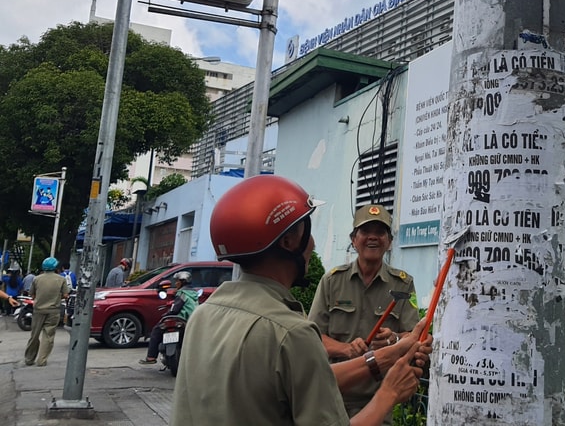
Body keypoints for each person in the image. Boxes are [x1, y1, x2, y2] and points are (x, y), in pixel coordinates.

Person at [170, 175, 431, 426]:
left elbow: (303, 378)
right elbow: (308, 359)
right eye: (308, 231)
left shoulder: (202, 316)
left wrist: (387, 354)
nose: (313, 244)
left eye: (380, 232)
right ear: (289, 241)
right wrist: (389, 393)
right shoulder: (292, 332)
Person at [309, 204, 418, 423]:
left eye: (380, 232)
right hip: (334, 395)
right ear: (353, 239)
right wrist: (346, 349)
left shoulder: (404, 284)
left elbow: (414, 337)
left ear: (389, 242)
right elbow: (312, 337)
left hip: (379, 397)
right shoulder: (332, 281)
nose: (373, 238)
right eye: (366, 231)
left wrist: (394, 339)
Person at [139, 270, 199, 365]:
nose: (176, 283)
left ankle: (151, 357)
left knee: (156, 330)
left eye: (177, 281)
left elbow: (175, 309)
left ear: (183, 282)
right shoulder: (194, 295)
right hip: (190, 321)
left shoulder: (182, 294)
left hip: (180, 319)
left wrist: (166, 315)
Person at [23, 257, 68, 367]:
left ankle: (29, 359)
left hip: (38, 310)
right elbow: (66, 295)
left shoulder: (37, 279)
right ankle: (41, 361)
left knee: (34, 335)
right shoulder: (61, 279)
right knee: (48, 335)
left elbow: (32, 295)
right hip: (53, 311)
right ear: (55, 267)